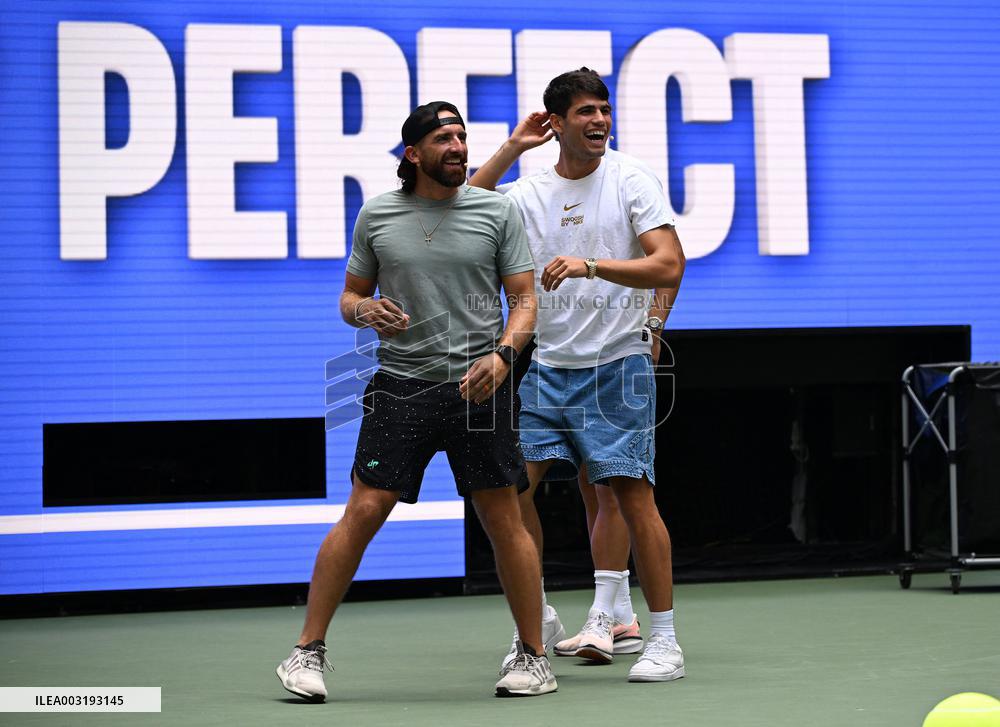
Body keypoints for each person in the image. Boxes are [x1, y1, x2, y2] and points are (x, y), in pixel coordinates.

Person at [276, 101, 557, 701]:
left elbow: (525, 301)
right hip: (400, 386)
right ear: (414, 153)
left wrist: (503, 356)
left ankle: (533, 656)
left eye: (462, 137)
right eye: (444, 139)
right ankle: (306, 652)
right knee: (365, 510)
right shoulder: (377, 215)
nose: (458, 146)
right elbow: (350, 296)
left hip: (480, 388)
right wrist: (364, 310)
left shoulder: (496, 210)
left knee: (502, 517)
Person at [470, 68, 687, 682]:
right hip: (547, 369)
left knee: (630, 497)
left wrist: (593, 266)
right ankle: (537, 616)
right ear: (556, 123)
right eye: (585, 112)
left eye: (604, 110)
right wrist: (513, 148)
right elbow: (467, 207)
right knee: (510, 497)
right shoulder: (529, 191)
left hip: (616, 365)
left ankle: (662, 640)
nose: (598, 121)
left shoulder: (631, 178)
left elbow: (669, 262)